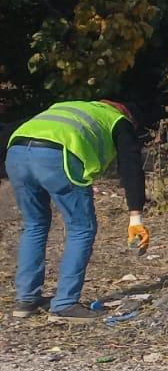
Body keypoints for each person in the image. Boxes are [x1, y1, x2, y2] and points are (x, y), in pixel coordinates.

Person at [6, 99, 148, 322]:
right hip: (56, 157)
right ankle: (65, 303)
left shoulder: (70, 107)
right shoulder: (119, 121)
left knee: (34, 224)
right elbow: (131, 168)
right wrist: (135, 217)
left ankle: (26, 300)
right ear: (128, 114)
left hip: (16, 153)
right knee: (81, 228)